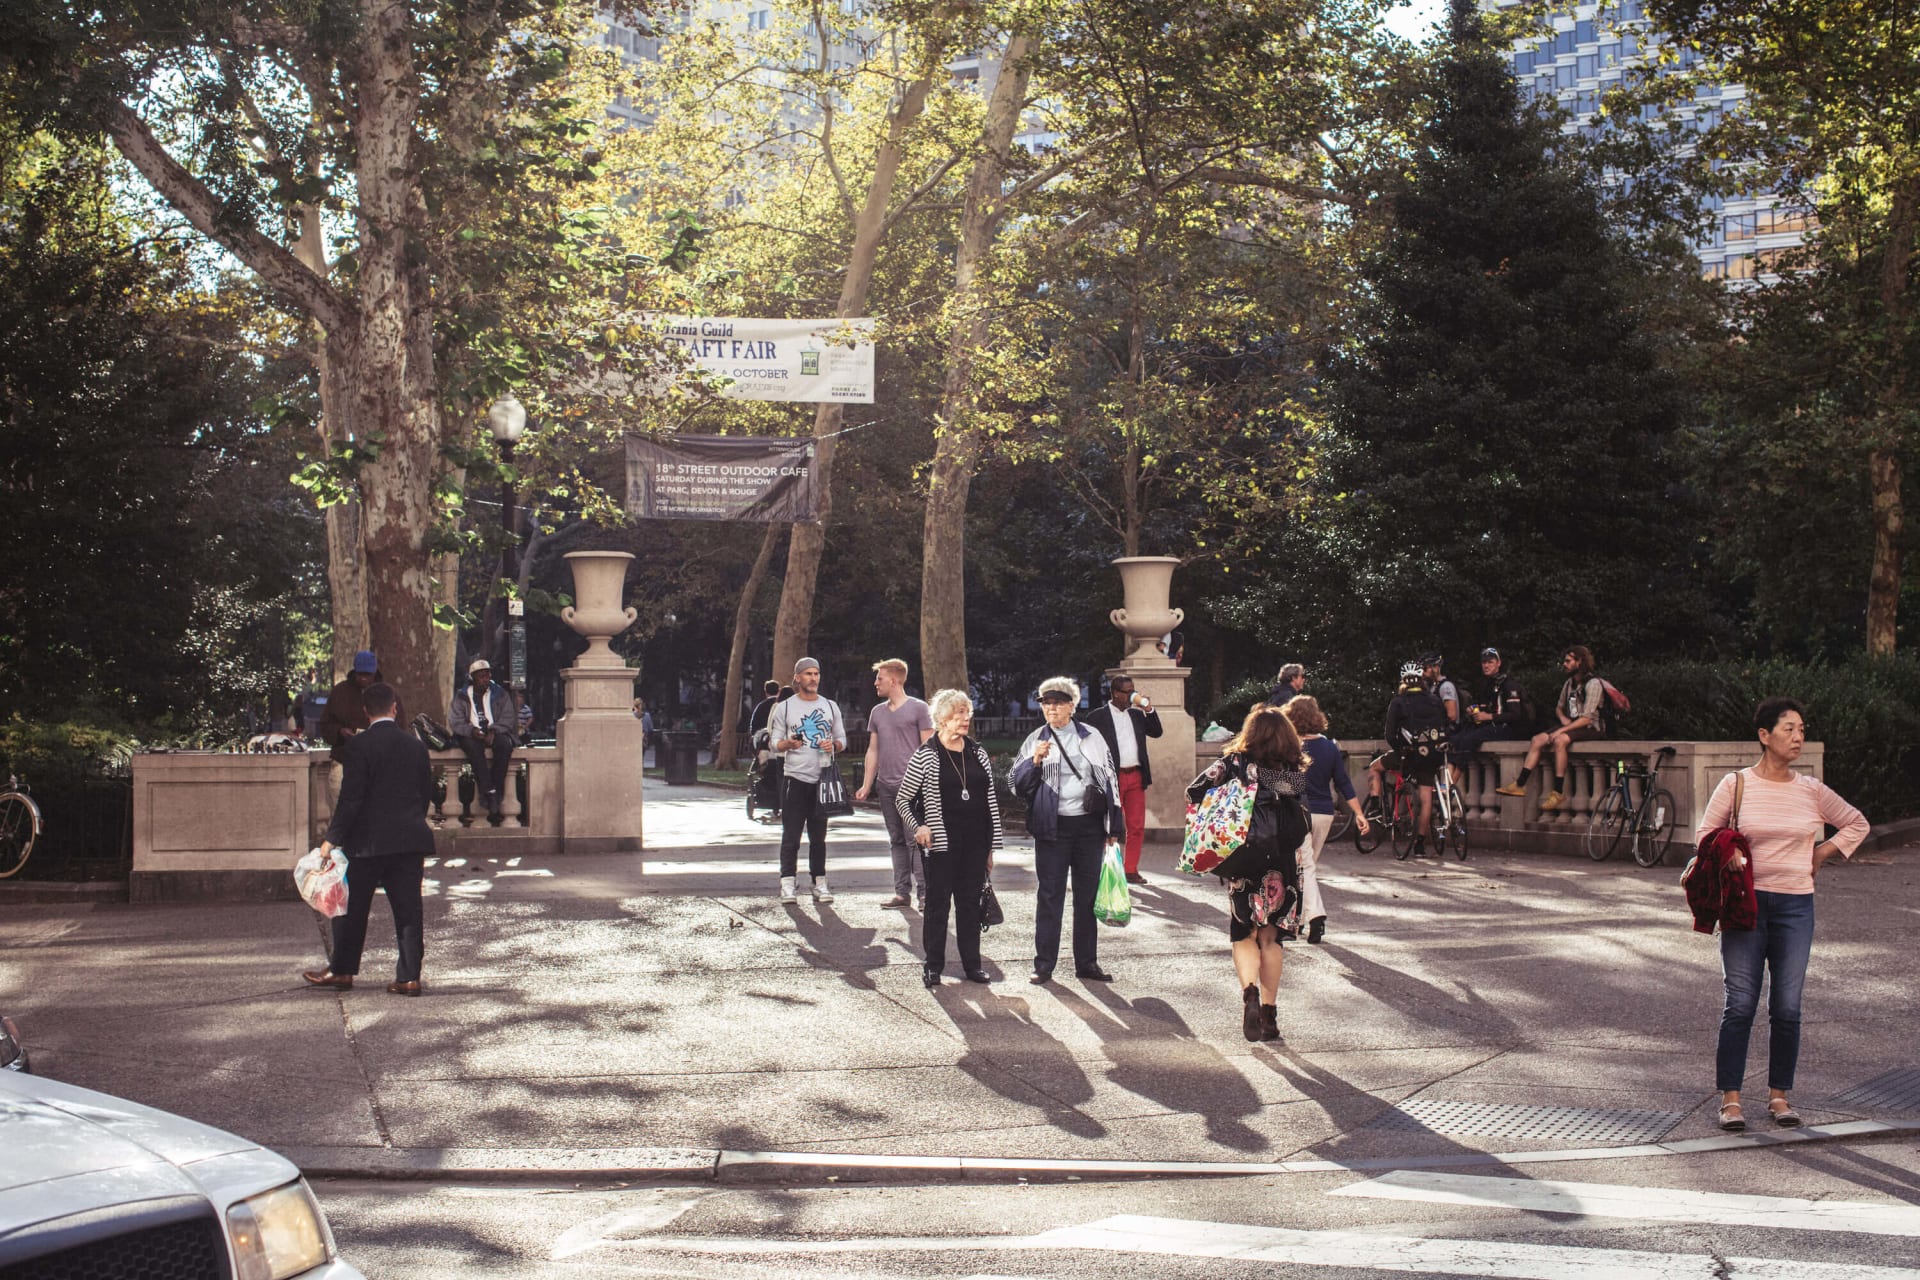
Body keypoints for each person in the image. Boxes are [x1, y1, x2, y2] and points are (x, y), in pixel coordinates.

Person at [1696, 697, 1868, 1132]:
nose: (1798, 736)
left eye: (1802, 729)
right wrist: (1729, 851)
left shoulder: (1810, 790)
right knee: (1740, 1005)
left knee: (1787, 1007)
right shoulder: (1736, 785)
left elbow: (1857, 823)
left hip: (1795, 906)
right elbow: (1705, 835)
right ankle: (1730, 1100)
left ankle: (1779, 1097)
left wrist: (1824, 851)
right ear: (1764, 736)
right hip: (1745, 905)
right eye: (1789, 728)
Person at [1186, 706, 1309, 1042]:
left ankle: (1250, 993)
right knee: (1271, 937)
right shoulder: (1289, 770)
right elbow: (1298, 803)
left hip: (1243, 857)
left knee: (1243, 933)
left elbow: (1195, 792)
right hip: (1280, 862)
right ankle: (1269, 1015)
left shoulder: (1233, 764)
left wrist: (1228, 810)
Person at [303, 682, 435, 996]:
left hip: (367, 843)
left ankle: (343, 970)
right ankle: (409, 977)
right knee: (408, 911)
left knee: (349, 908)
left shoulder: (359, 747)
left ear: (365, 712)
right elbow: (426, 793)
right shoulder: (416, 746)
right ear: (394, 708)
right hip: (408, 839)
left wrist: (331, 839)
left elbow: (351, 799)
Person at [1013, 678, 1126, 986]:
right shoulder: (1036, 739)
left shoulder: (1092, 737)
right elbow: (1017, 786)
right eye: (1046, 703)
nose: (1052, 708)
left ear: (1072, 706)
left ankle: (1087, 963)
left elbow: (1110, 780)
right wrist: (1035, 760)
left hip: (1089, 826)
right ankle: (1044, 965)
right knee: (1050, 896)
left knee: (1087, 898)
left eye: (1059, 702)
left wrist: (1114, 826)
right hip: (1052, 827)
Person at [895, 689, 1004, 988]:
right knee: (938, 906)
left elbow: (989, 800)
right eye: (959, 714)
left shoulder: (977, 752)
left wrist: (990, 847)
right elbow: (903, 800)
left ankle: (973, 966)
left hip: (975, 843)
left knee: (970, 905)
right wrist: (919, 826)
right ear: (942, 718)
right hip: (941, 844)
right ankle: (933, 967)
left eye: (967, 713)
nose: (965, 719)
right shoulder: (926, 754)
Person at [1282, 695, 1369, 944]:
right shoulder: (1330, 747)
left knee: (1303, 867)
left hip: (1299, 812)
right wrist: (1359, 814)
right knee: (1305, 867)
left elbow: (1285, 782)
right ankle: (1297, 922)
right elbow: (1343, 783)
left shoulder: (1291, 747)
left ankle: (1316, 917)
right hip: (1324, 814)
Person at [855, 659, 935, 910]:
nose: (875, 682)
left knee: (916, 840)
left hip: (912, 788)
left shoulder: (920, 709)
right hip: (886, 786)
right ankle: (902, 893)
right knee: (896, 840)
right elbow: (873, 750)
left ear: (894, 680)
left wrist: (927, 784)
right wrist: (867, 784)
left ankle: (926, 894)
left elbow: (929, 748)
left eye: (879, 678)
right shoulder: (877, 712)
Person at [769, 657, 847, 903]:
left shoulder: (830, 706)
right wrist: (787, 744)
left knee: (819, 836)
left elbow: (842, 740)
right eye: (808, 674)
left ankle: (819, 881)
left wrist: (832, 744)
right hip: (795, 778)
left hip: (821, 779)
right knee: (791, 835)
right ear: (797, 678)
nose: (813, 678)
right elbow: (774, 742)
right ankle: (788, 883)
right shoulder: (786, 708)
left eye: (816, 673)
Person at [1495, 644, 1604, 811]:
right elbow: (1559, 707)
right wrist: (1563, 718)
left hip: (1591, 727)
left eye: (1568, 661)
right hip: (1572, 725)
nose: (1564, 665)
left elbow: (1587, 718)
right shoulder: (1569, 684)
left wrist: (1561, 729)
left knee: (1560, 740)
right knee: (1538, 739)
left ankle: (1558, 791)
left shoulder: (1593, 683)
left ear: (1580, 661)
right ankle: (1519, 784)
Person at [1080, 673, 1162, 885]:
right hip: (1111, 778)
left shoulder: (1136, 715)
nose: (1132, 695)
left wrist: (1149, 710)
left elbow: (1157, 732)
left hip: (1135, 775)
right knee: (1107, 826)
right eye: (1128, 692)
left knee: (1136, 826)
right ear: (1115, 693)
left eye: (1133, 691)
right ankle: (1105, 870)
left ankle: (1131, 870)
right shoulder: (1097, 717)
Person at [1372, 662, 1450, 859]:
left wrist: (1400, 751)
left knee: (1374, 768)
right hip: (1431, 754)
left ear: (1403, 682)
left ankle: (1374, 808)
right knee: (1425, 800)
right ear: (1421, 680)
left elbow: (1389, 734)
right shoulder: (1434, 700)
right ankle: (1420, 844)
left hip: (1408, 755)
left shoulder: (1398, 702)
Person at [450, 659, 518, 823]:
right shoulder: (462, 695)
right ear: (473, 678)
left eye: (487, 675)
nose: (485, 679)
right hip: (471, 733)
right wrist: (472, 731)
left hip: (495, 730)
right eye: (481, 676)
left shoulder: (500, 693)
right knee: (473, 748)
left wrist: (494, 730)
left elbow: (509, 717)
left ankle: (495, 790)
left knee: (504, 745)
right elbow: (456, 722)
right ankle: (488, 790)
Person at [1448, 647, 1529, 784]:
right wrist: (1474, 710)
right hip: (1489, 725)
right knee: (1455, 738)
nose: (1486, 665)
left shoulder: (1509, 684)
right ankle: (1446, 778)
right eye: (1484, 662)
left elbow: (1515, 715)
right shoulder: (1486, 684)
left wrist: (1489, 717)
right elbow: (1486, 707)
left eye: (1490, 662)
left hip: (1506, 728)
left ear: (1498, 663)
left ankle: (1451, 784)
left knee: (1469, 740)